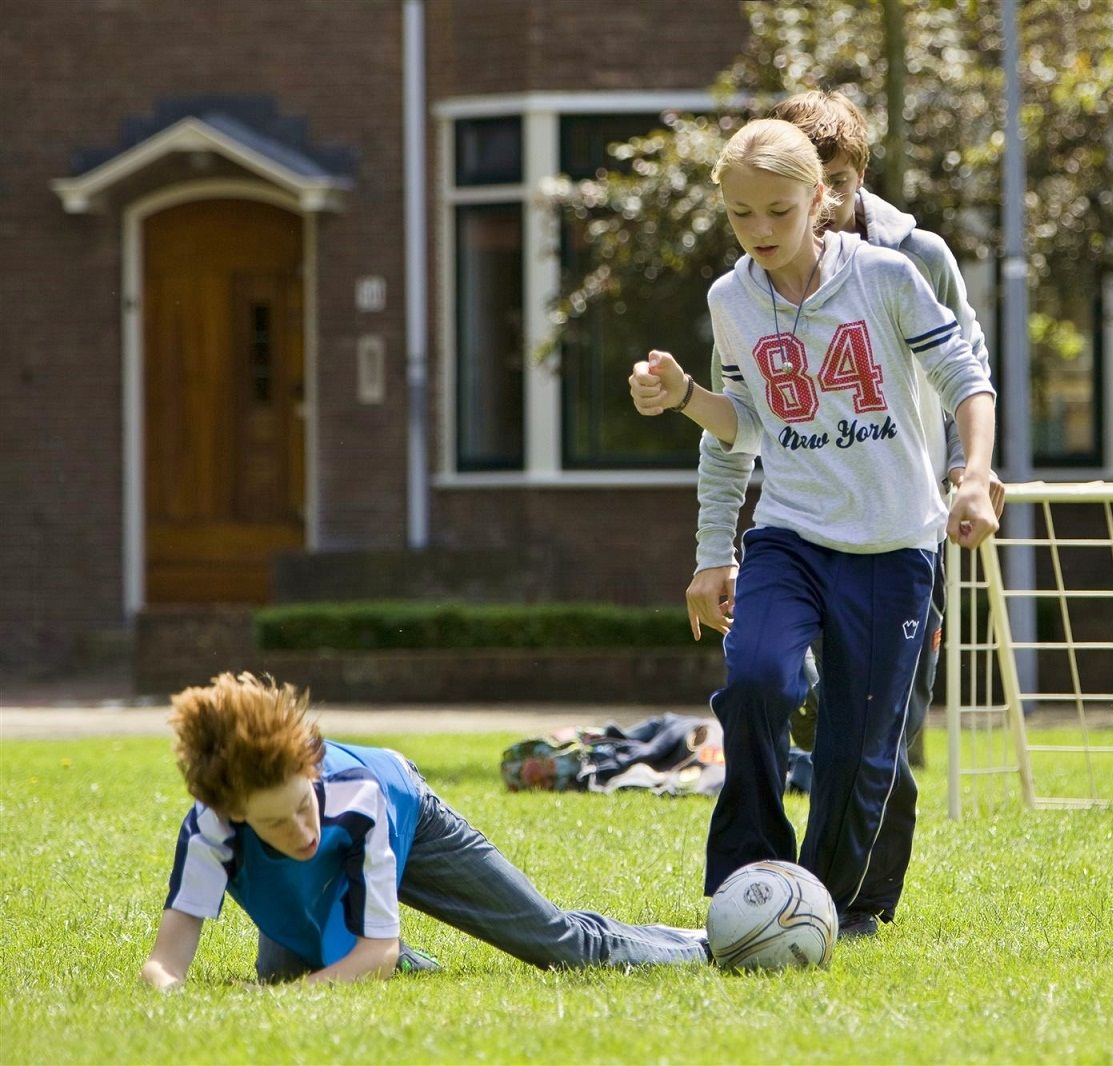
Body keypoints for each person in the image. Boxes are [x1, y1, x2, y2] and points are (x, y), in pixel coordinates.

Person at [628, 118, 998, 938]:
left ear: (820, 201)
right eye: (741, 215)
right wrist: (686, 394)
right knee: (757, 680)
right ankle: (753, 871)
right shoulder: (731, 299)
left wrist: (972, 477)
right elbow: (748, 425)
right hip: (791, 536)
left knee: (858, 751)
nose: (760, 232)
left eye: (779, 212)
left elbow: (969, 381)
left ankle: (826, 904)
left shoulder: (888, 276)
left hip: (893, 546)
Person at [686, 93, 1006, 753]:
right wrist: (714, 548)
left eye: (838, 184)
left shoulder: (917, 258)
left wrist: (966, 471)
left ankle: (866, 846)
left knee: (888, 736)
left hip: (900, 524)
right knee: (780, 686)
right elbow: (733, 425)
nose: (822, 204)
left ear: (856, 179)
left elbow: (964, 373)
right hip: (803, 525)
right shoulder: (744, 290)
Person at [139, 673, 707, 990]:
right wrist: (165, 995)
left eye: (302, 807)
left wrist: (280, 1006)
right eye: (273, 823)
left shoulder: (356, 797)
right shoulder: (209, 830)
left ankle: (702, 944)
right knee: (285, 972)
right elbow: (166, 960)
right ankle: (404, 954)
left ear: (309, 771)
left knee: (557, 944)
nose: (301, 831)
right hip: (346, 843)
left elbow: (377, 953)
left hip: (405, 810)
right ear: (234, 814)